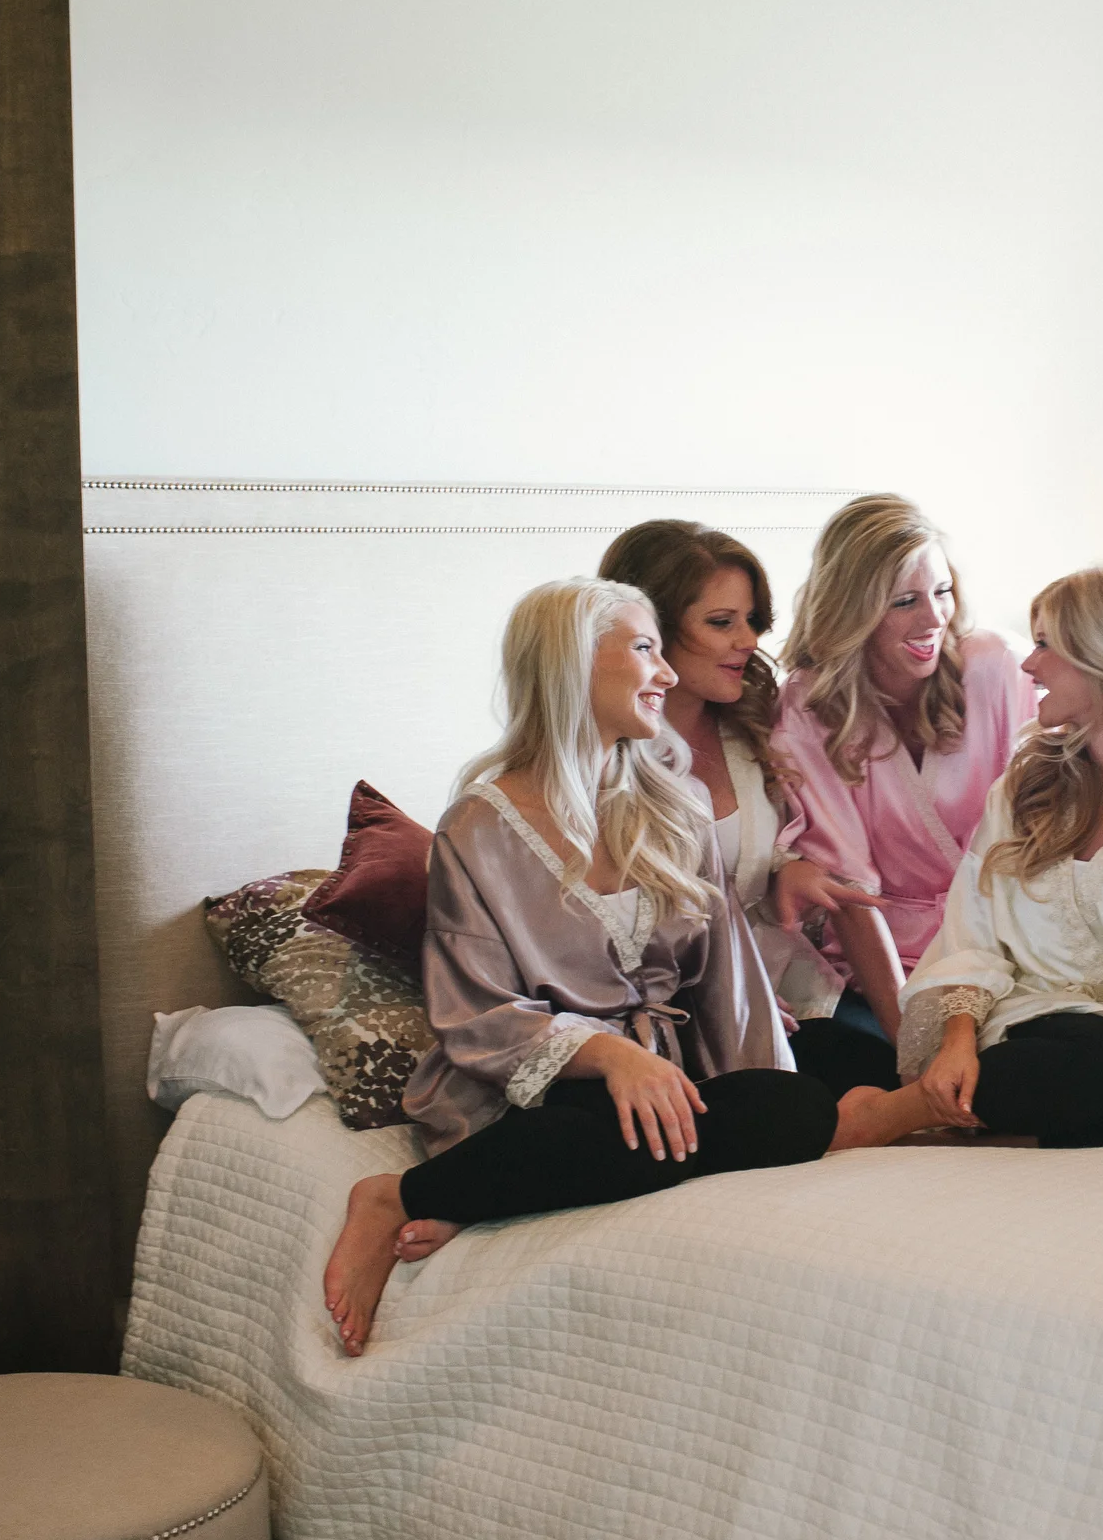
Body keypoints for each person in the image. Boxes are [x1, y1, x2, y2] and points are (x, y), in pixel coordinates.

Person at [322, 578, 844, 1356]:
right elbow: (475, 1011)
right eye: (645, 648)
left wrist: (752, 1094)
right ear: (573, 662)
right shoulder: (478, 827)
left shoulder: (676, 806)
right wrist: (607, 1055)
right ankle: (392, 1197)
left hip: (664, 1084)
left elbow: (725, 978)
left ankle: (491, 1191)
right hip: (538, 1092)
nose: (667, 673)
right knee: (585, 1125)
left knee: (795, 1106)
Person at [834, 561, 1103, 1154]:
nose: (1028, 664)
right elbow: (971, 933)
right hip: (1018, 1034)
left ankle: (994, 1137)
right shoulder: (1029, 779)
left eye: (1045, 645)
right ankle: (900, 1111)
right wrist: (958, 1039)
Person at [597, 520, 897, 1096]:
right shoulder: (607, 763)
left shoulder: (755, 730)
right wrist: (719, 997)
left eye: (752, 620)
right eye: (721, 622)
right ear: (650, 630)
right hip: (687, 1016)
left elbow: (769, 849)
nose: (749, 641)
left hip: (791, 986)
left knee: (900, 1069)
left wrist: (789, 868)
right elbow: (602, 935)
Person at [769, 493, 1038, 1072]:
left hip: (1011, 938)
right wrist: (912, 1050)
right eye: (904, 601)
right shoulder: (810, 707)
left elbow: (1044, 825)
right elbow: (849, 892)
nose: (934, 618)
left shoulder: (996, 667)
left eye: (942, 592)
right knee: (849, 1058)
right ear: (852, 609)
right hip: (886, 961)